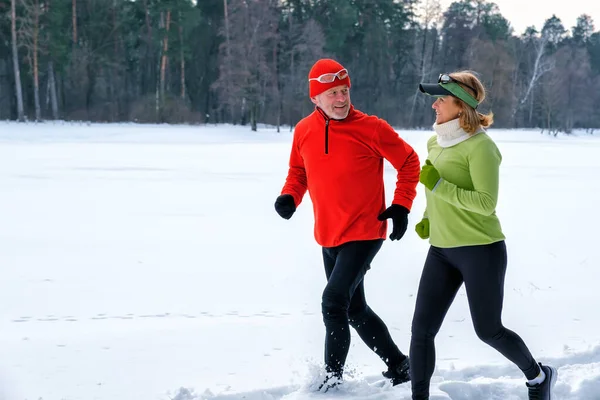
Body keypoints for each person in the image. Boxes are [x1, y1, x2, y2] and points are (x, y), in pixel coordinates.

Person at [273, 58, 420, 390]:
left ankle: (331, 381)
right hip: (328, 233)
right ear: (315, 98)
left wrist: (401, 205)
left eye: (344, 91)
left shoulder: (371, 128)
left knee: (332, 302)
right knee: (354, 309)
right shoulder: (304, 130)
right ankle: (400, 365)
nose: (341, 99)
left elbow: (409, 162)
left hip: (365, 231)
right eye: (332, 93)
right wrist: (290, 197)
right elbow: (299, 172)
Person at [410, 71, 557, 400]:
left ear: (461, 107)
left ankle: (538, 376)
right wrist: (428, 216)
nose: (434, 105)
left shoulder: (481, 148)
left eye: (441, 99)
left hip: (481, 250)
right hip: (441, 250)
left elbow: (485, 204)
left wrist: (437, 186)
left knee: (488, 330)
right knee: (421, 330)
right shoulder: (436, 141)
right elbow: (436, 191)